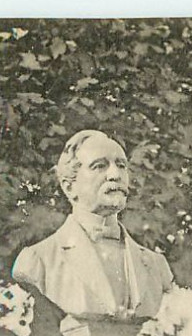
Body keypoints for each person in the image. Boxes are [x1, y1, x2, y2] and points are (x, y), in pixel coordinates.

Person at [12, 129, 173, 321]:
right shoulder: (38, 261)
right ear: (69, 186)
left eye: (121, 165)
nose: (115, 175)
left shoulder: (156, 266)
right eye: (99, 166)